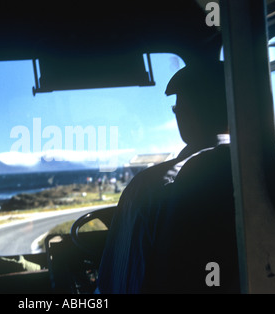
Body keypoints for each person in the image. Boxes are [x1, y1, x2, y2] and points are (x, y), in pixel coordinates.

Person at [96, 60, 240, 293]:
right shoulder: (271, 170)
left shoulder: (151, 188)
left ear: (184, 115)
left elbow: (117, 285)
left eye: (177, 108)